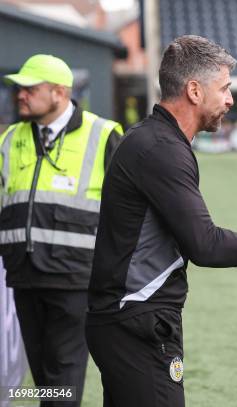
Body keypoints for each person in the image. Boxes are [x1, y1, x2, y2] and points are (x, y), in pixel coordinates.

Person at [85, 35, 237, 407]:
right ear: (193, 90)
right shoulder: (161, 149)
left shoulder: (155, 140)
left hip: (126, 320)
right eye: (225, 88)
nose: (230, 100)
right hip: (136, 321)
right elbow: (204, 244)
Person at [0, 54, 123, 406]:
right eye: (18, 89)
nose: (20, 95)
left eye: (29, 88)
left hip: (75, 282)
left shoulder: (103, 135)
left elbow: (130, 210)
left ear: (59, 92)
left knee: (62, 382)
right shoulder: (10, 139)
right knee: (47, 385)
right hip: (22, 280)